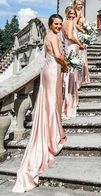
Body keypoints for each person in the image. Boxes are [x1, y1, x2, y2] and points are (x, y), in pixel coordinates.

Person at [13, 14, 67, 193]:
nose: (59, 26)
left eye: (60, 24)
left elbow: (46, 54)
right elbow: (58, 56)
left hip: (48, 69)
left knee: (50, 101)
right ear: (50, 24)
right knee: (52, 101)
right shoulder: (52, 36)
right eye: (56, 24)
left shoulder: (48, 36)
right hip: (53, 70)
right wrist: (66, 65)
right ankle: (52, 135)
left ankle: (51, 128)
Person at [62, 6, 84, 118]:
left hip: (68, 48)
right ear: (66, 13)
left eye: (74, 14)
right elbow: (70, 36)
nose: (72, 16)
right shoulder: (70, 22)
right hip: (72, 48)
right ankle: (69, 105)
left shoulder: (64, 23)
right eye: (70, 13)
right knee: (71, 76)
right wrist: (80, 44)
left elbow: (66, 37)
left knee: (70, 74)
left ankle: (67, 103)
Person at [73, 0, 90, 85]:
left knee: (80, 55)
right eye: (79, 4)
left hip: (79, 34)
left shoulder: (76, 12)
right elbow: (75, 24)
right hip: (80, 35)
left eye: (81, 4)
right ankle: (80, 77)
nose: (80, 6)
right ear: (75, 5)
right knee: (81, 56)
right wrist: (83, 31)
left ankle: (79, 77)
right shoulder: (78, 13)